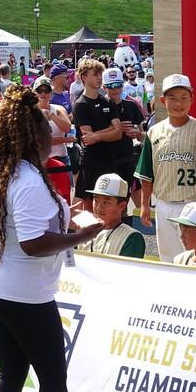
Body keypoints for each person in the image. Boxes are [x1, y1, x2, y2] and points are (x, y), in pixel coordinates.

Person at [0, 85, 103, 392]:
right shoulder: (29, 179)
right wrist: (81, 236)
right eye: (47, 131)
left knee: (12, 372)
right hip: (23, 295)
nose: (53, 137)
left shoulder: (7, 170)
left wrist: (67, 217)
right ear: (34, 137)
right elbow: (34, 243)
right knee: (52, 379)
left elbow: (24, 222)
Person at [135, 74, 196, 263]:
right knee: (168, 257)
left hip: (192, 202)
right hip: (164, 203)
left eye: (184, 97)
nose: (178, 103)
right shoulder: (154, 132)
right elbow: (147, 173)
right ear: (162, 100)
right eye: (172, 98)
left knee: (194, 256)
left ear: (192, 98)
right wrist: (144, 204)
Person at [72, 59, 122, 212]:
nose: (100, 77)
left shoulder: (108, 101)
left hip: (110, 158)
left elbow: (118, 132)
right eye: (95, 74)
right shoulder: (80, 104)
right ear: (83, 77)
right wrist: (108, 130)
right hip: (91, 161)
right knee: (89, 203)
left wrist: (97, 135)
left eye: (100, 74)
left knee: (110, 200)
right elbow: (88, 139)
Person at [103, 67, 145, 208]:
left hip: (126, 158)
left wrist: (137, 134)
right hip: (105, 160)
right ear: (104, 87)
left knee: (127, 198)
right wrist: (116, 128)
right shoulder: (98, 106)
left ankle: (138, 222)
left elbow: (143, 136)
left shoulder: (131, 105)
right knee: (109, 201)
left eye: (118, 85)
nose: (115, 89)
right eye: (110, 86)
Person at [78, 173, 145, 258]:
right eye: (96, 199)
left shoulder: (132, 237)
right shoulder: (84, 231)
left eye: (106, 202)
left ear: (122, 206)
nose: (99, 207)